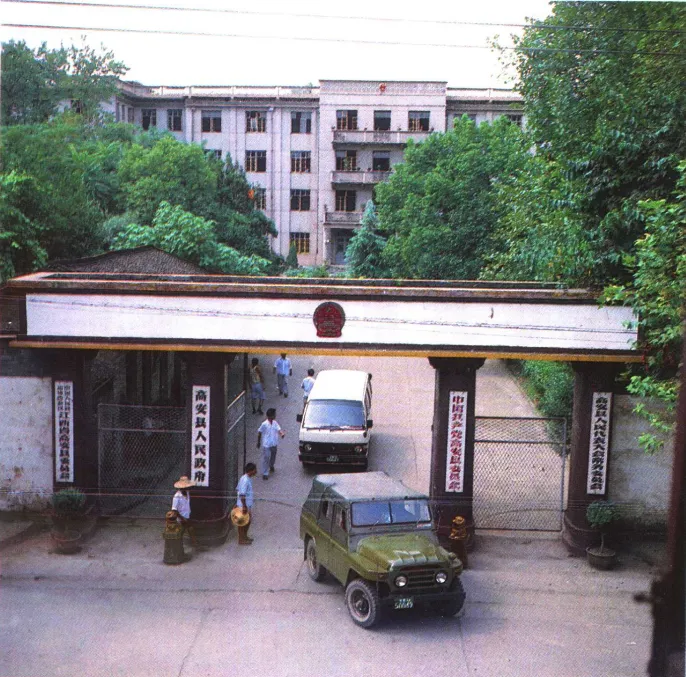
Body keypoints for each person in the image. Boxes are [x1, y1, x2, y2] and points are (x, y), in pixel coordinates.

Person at [170, 475, 200, 548]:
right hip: (180, 518)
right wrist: (182, 519)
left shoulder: (187, 493)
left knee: (190, 529)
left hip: (187, 516)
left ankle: (195, 545)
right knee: (181, 533)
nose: (188, 488)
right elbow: (174, 510)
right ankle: (178, 547)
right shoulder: (177, 496)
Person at [257, 408, 285, 480]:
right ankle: (265, 473)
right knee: (266, 457)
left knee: (273, 456)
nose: (275, 415)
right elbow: (259, 432)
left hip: (274, 443)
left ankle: (271, 465)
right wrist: (258, 442)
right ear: (270, 416)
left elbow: (279, 429)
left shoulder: (275, 423)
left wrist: (281, 434)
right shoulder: (264, 424)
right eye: (274, 414)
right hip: (266, 444)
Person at [235, 462, 257, 545]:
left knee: (248, 521)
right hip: (243, 505)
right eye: (255, 470)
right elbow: (242, 494)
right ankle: (241, 539)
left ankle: (244, 536)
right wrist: (244, 506)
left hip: (247, 504)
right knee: (242, 522)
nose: (256, 471)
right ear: (251, 470)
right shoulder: (245, 480)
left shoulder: (247, 478)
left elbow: (238, 490)